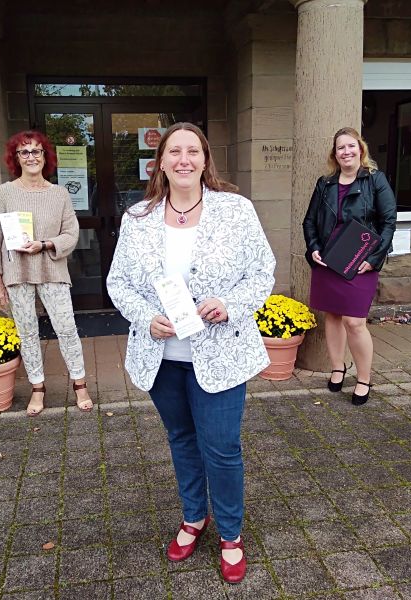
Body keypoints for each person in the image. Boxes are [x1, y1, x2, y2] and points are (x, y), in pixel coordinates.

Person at [106, 123, 274, 584]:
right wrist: (145, 317)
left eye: (193, 151)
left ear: (204, 159)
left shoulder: (235, 210)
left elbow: (262, 272)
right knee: (181, 439)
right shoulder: (138, 217)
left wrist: (230, 303)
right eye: (175, 151)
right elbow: (118, 283)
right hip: (162, 356)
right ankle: (194, 517)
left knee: (221, 448)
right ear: (160, 161)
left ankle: (231, 534)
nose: (184, 159)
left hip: (220, 354)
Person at [0, 130, 93, 415]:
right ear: (16, 158)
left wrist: (44, 244)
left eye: (36, 151)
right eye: (24, 152)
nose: (31, 156)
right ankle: (37, 388)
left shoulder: (59, 194)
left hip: (52, 270)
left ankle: (80, 384)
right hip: (16, 273)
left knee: (67, 329)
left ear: (45, 156)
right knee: (27, 333)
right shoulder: (4, 193)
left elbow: (71, 233)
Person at [302, 127, 397, 405]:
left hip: (361, 260)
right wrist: (313, 247)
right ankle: (337, 368)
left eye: (351, 146)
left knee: (354, 321)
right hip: (328, 260)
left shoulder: (375, 180)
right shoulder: (325, 183)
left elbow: (388, 222)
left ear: (360, 148)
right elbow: (309, 221)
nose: (346, 152)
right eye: (340, 147)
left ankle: (364, 378)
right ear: (335, 154)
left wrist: (374, 259)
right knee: (332, 316)